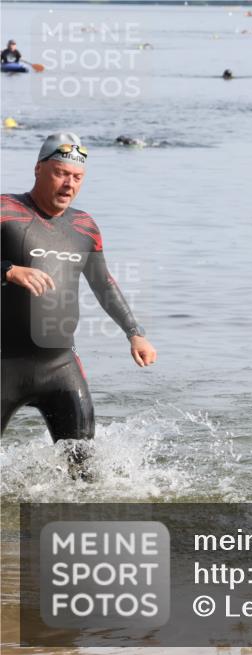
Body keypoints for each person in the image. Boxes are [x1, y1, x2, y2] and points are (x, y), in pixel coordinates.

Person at [1, 133, 157, 480]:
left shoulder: (84, 226)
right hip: (3, 364)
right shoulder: (5, 210)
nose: (69, 184)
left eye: (77, 177)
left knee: (86, 472)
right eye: (60, 173)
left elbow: (103, 283)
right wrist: (8, 270)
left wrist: (134, 333)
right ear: (39, 169)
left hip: (59, 367)